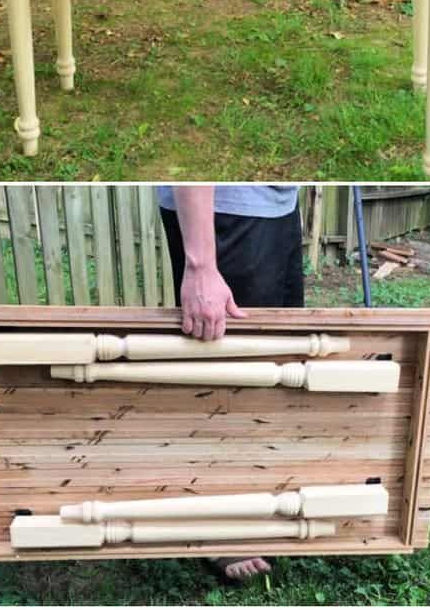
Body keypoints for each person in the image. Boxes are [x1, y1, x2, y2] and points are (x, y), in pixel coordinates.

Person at [157, 184, 304, 581]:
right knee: (229, 377)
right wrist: (202, 266)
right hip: (227, 212)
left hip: (274, 206)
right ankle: (219, 525)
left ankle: (252, 500)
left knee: (270, 365)